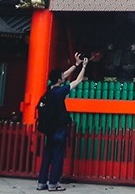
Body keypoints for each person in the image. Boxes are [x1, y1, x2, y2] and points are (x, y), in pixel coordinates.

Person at [36, 52, 88, 191]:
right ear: (59, 80)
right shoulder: (60, 92)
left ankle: (42, 182)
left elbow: (63, 75)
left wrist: (75, 64)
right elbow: (77, 81)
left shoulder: (49, 90)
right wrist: (83, 67)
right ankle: (53, 183)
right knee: (58, 156)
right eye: (62, 76)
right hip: (59, 128)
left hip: (49, 128)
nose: (64, 77)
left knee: (47, 155)